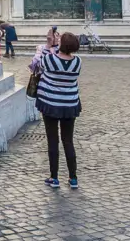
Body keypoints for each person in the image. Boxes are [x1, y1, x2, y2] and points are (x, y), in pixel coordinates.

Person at [31, 28, 81, 189]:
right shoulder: (77, 62)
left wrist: (48, 43)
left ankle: (54, 177)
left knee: (53, 140)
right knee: (68, 141)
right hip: (69, 104)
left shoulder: (49, 59)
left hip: (50, 103)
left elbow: (36, 66)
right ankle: (73, 178)